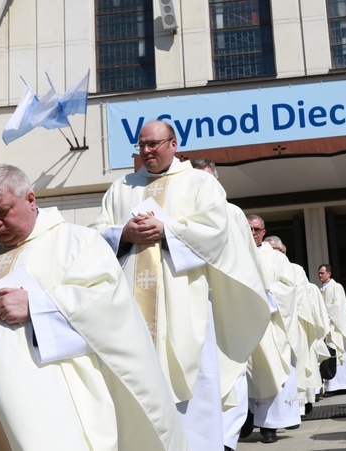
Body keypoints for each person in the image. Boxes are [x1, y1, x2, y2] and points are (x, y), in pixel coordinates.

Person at [0, 164, 187, 450]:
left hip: (51, 411)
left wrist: (39, 305)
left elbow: (111, 311)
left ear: (31, 199)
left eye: (2, 211)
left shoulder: (78, 243)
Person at [91, 122, 270, 450]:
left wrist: (167, 229)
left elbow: (217, 231)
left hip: (186, 303)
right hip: (131, 306)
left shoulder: (200, 183)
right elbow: (95, 234)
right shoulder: (121, 188)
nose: (146, 151)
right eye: (142, 145)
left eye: (154, 144)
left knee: (192, 379)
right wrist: (122, 234)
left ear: (173, 144)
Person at [190, 158, 272, 451]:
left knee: (232, 366)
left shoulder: (232, 213)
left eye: (207, 179)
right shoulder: (181, 215)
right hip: (188, 304)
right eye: (195, 179)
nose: (201, 185)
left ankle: (226, 440)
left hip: (226, 304)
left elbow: (249, 260)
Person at [245, 216, 301, 444]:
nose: (253, 232)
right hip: (242, 324)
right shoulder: (233, 252)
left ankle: (270, 427)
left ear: (263, 231)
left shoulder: (276, 258)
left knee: (273, 368)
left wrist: (263, 293)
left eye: (257, 229)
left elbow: (288, 287)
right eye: (249, 228)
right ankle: (244, 419)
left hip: (271, 325)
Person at [265, 237, 330, 415]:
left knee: (295, 367)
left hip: (292, 325)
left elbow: (298, 298)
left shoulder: (295, 269)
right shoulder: (259, 264)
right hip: (267, 325)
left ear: (283, 251)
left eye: (275, 249)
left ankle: (296, 406)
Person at [317, 264, 346, 393]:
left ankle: (345, 384)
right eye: (319, 273)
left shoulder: (337, 287)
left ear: (329, 274)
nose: (320, 275)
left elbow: (337, 306)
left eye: (322, 273)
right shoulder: (319, 289)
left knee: (339, 352)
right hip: (326, 326)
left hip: (336, 327)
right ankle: (332, 386)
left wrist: (325, 318)